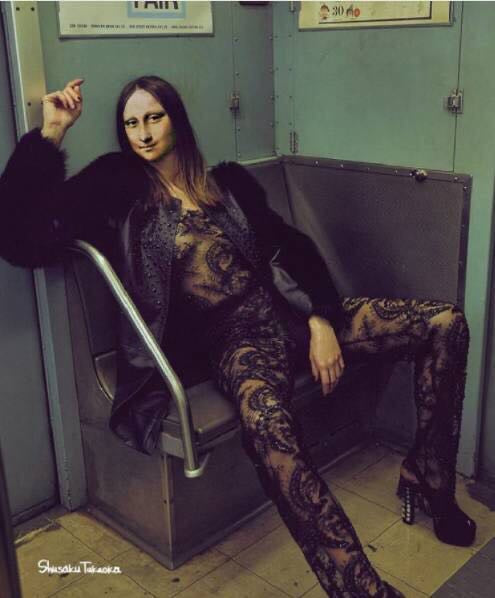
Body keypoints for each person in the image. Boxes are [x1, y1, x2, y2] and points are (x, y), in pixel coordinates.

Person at [0, 76, 476, 597]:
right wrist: (51, 133)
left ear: (177, 120)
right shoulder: (117, 190)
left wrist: (321, 319)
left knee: (445, 324)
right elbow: (20, 241)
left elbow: (294, 248)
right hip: (234, 343)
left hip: (292, 317)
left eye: (154, 117)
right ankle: (359, 588)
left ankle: (429, 476)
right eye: (131, 123)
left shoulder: (226, 183)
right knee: (268, 427)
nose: (143, 133)